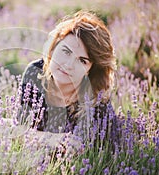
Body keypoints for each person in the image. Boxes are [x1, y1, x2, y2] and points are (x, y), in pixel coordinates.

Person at [17, 11, 119, 153]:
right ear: (53, 49)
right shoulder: (35, 72)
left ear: (90, 69)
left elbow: (106, 149)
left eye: (82, 60)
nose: (69, 64)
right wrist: (52, 139)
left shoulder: (96, 96)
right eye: (66, 51)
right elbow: (19, 130)